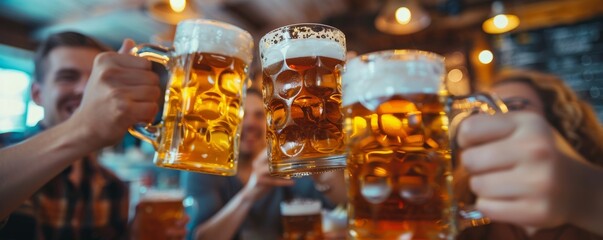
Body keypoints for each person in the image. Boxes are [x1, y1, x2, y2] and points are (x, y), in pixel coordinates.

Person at [0, 31, 185, 239]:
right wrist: (83, 129)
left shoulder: (114, 188)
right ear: (37, 94)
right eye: (68, 77)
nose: (86, 91)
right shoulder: (5, 152)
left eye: (98, 80)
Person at [183, 88, 347, 240]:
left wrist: (316, 163)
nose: (250, 123)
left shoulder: (281, 165)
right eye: (241, 114)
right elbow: (198, 236)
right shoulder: (205, 167)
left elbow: (341, 201)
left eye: (259, 115)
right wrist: (249, 194)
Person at [456, 70, 603, 239]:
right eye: (481, 113)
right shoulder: (461, 205)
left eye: (516, 107)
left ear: (558, 123)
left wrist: (585, 194)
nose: (493, 120)